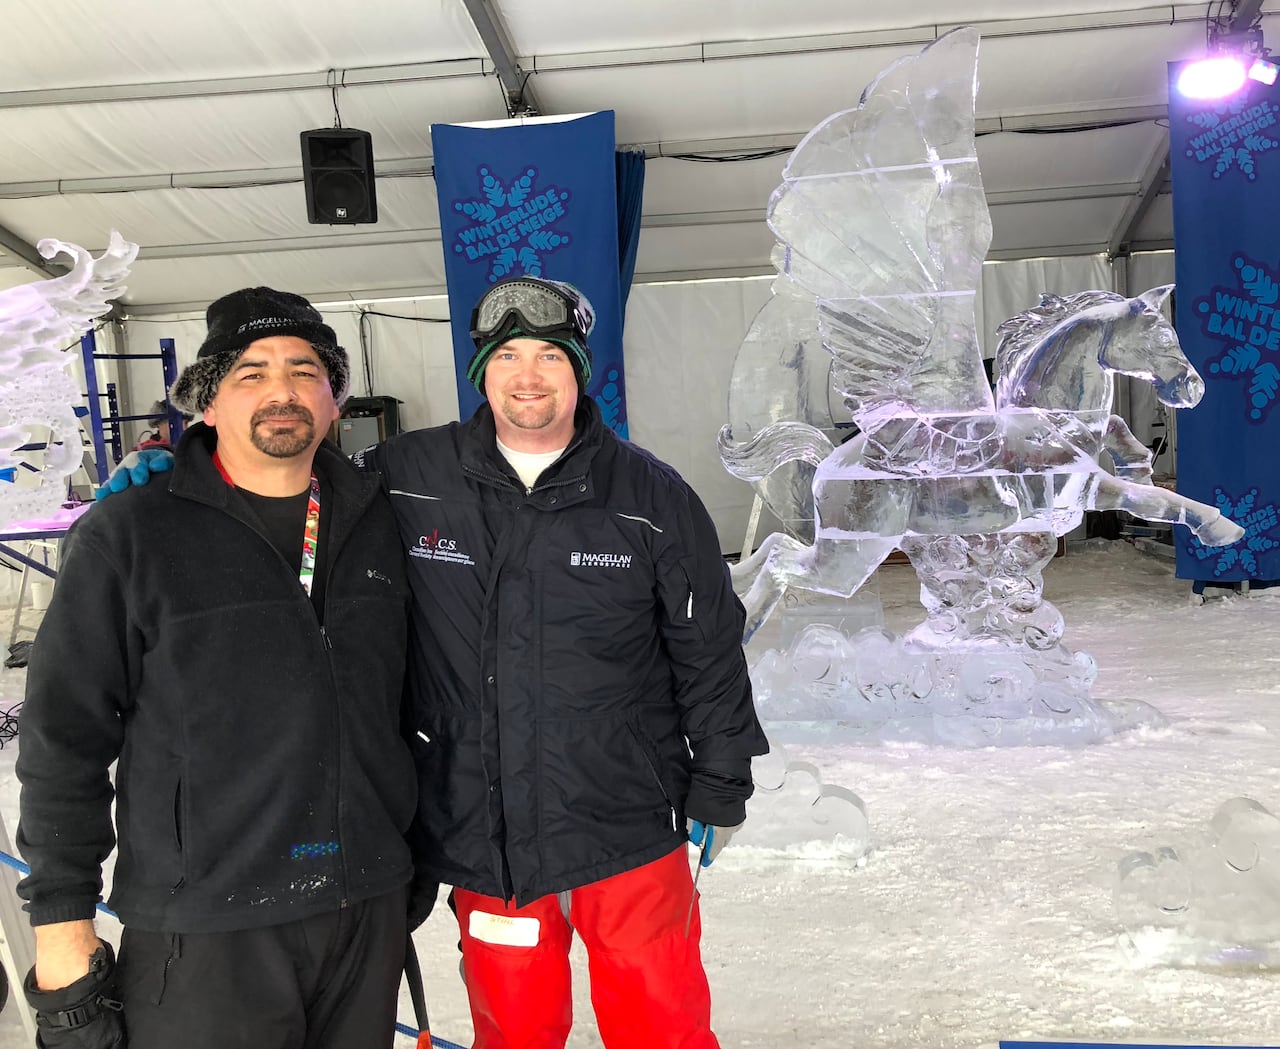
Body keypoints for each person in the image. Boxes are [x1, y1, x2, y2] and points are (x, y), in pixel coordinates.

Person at [354, 275, 769, 1049]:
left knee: (662, 1027)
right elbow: (284, 486)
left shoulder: (650, 496)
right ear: (482, 371)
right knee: (514, 1032)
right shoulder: (410, 477)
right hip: (486, 830)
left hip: (628, 825)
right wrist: (178, 473)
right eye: (507, 355)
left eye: (549, 354)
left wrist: (722, 781)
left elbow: (708, 649)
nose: (528, 375)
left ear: (581, 369)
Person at [16, 287, 419, 1049]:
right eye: (250, 373)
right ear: (205, 402)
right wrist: (61, 921)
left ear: (334, 401)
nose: (282, 391)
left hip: (365, 905)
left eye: (306, 372)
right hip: (206, 923)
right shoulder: (131, 532)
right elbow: (62, 735)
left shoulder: (380, 518)